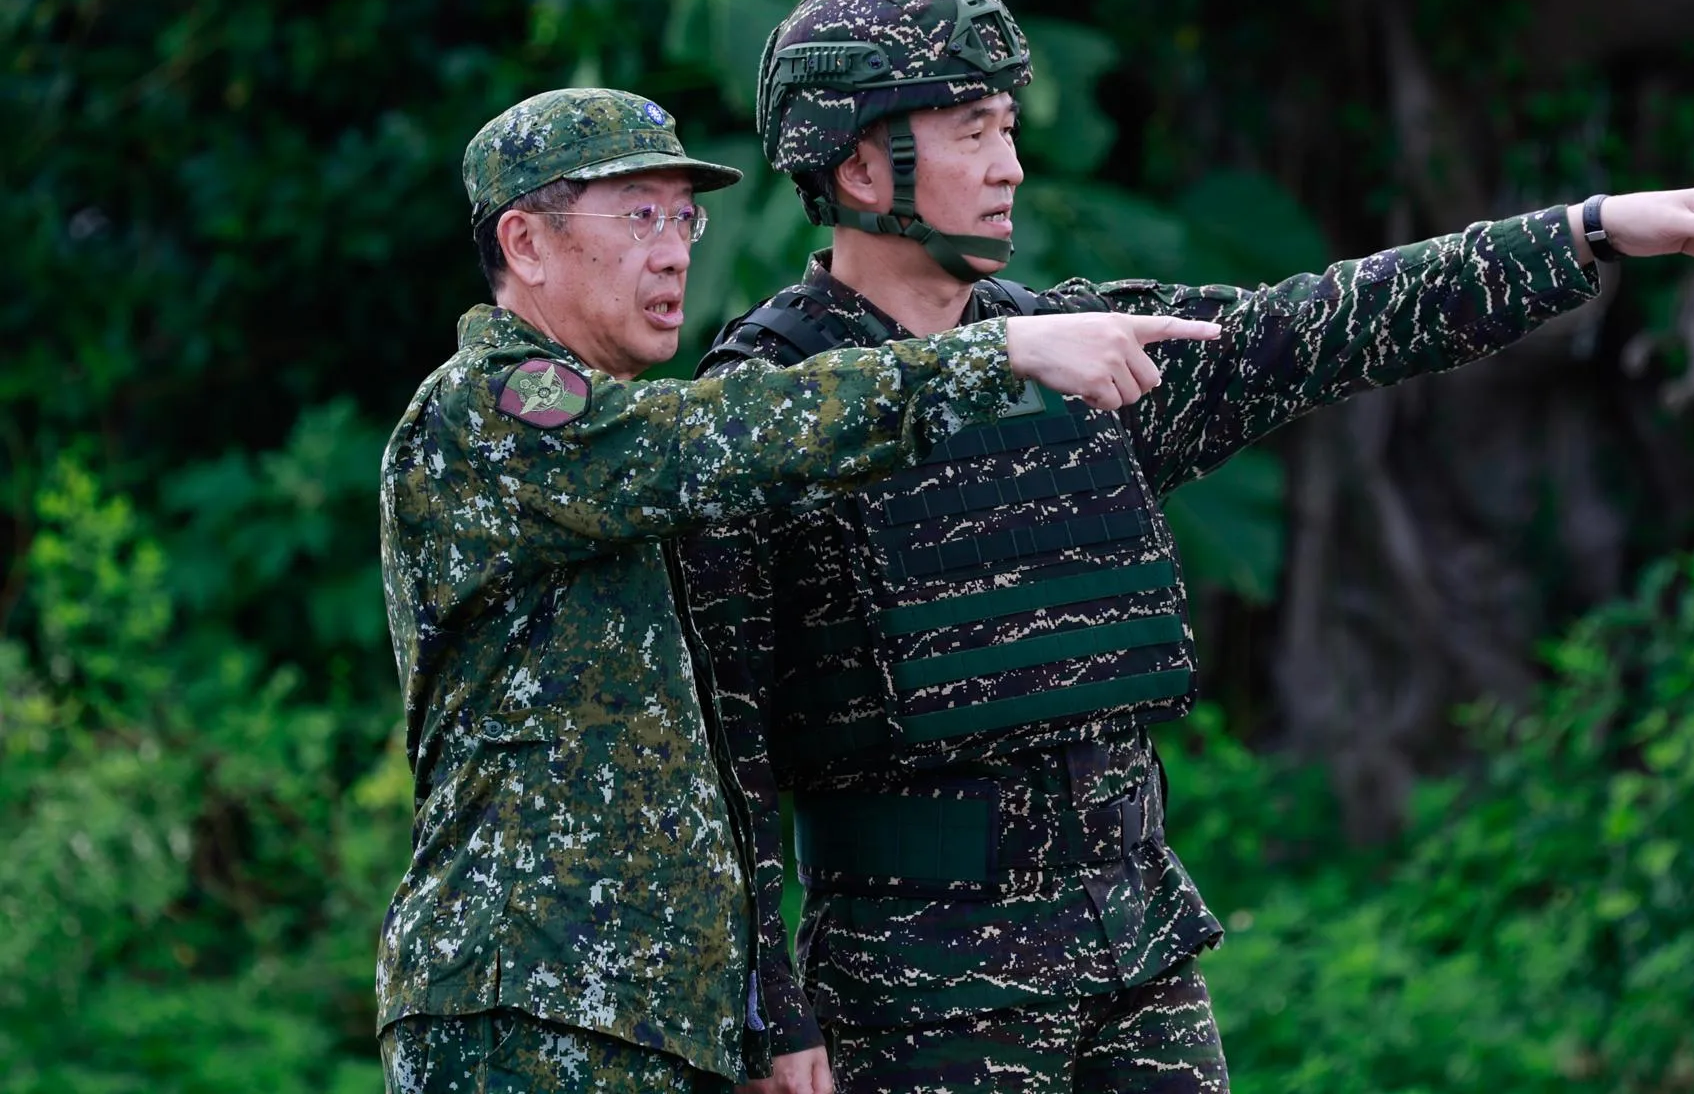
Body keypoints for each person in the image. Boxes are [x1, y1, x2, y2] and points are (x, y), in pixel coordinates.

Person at [677, 0, 1694, 1094]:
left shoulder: (1084, 346)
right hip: (914, 990)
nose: (1011, 166)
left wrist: (1590, 230)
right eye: (973, 131)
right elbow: (727, 743)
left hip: (1136, 949)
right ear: (862, 162)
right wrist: (771, 1002)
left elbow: (1325, 324)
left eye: (1009, 127)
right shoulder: (773, 405)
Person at [374, 86, 1221, 1094]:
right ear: (526, 240)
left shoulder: (615, 459)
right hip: (527, 1001)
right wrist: (994, 354)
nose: (675, 247)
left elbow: (731, 755)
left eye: (684, 215)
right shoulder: (499, 408)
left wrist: (762, 1006)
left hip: (650, 1015)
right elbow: (712, 433)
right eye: (637, 213)